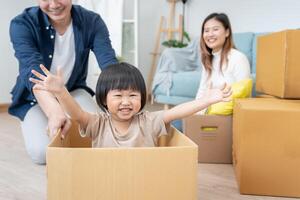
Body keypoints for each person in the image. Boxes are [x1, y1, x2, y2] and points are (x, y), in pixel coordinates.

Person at [9, 0, 117, 164]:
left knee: (100, 136)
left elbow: (109, 64)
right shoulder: (22, 24)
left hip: (73, 91)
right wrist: (54, 112)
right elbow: (32, 70)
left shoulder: (91, 21)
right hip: (35, 99)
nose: (53, 4)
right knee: (43, 153)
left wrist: (124, 99)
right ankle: (37, 121)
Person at [29, 62, 232, 147]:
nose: (126, 102)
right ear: (103, 99)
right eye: (118, 95)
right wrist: (61, 92)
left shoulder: (149, 121)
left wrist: (207, 99)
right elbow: (77, 113)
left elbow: (178, 111)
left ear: (142, 97)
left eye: (133, 95)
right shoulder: (97, 123)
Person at [196, 13, 251, 112]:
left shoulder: (238, 58)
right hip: (205, 116)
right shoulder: (207, 59)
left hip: (226, 118)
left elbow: (244, 97)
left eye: (215, 29)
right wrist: (194, 116)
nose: (210, 34)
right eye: (206, 30)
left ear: (227, 32)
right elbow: (202, 91)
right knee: (169, 123)